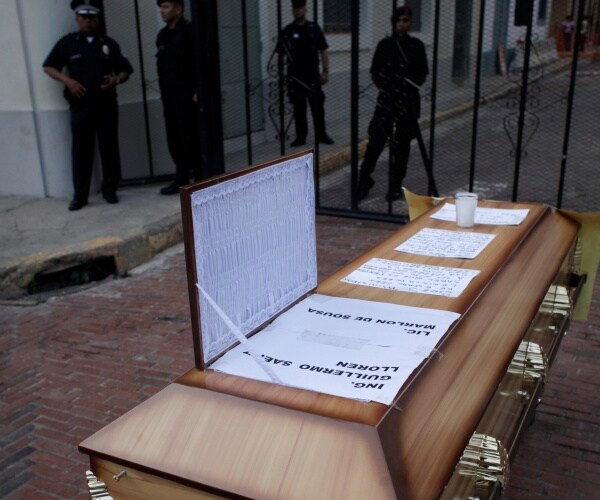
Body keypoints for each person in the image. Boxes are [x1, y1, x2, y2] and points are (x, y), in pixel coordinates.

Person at [43, 1, 133, 211]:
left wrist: (115, 80)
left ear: (97, 19)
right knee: (81, 152)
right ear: (77, 19)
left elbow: (126, 70)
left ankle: (109, 191)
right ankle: (80, 195)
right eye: (83, 17)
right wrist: (68, 81)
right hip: (81, 106)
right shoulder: (68, 43)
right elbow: (48, 67)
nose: (88, 21)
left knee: (109, 148)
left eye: (92, 17)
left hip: (106, 105)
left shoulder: (109, 44)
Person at [356, 6, 428, 202]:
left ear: (410, 22)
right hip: (387, 100)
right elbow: (375, 71)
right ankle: (364, 180)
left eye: (405, 20)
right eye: (399, 20)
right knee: (376, 141)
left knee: (402, 144)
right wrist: (388, 88)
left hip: (407, 101)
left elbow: (422, 74)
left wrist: (406, 87)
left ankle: (395, 185)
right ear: (393, 22)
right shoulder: (384, 45)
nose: (402, 24)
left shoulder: (417, 46)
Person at [156, 0, 202, 195]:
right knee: (174, 141)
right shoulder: (163, 35)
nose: (162, 11)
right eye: (161, 7)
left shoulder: (190, 32)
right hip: (169, 98)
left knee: (191, 140)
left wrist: (198, 91)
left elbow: (199, 64)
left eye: (166, 6)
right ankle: (181, 179)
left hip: (187, 98)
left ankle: (200, 179)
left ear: (179, 9)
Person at [278, 0, 334, 147]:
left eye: (300, 7)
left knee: (317, 107)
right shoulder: (287, 31)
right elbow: (280, 55)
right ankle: (301, 137)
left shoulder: (314, 28)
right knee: (299, 109)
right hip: (295, 77)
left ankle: (321, 134)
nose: (297, 10)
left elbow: (323, 50)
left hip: (312, 76)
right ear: (292, 10)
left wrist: (325, 71)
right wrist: (283, 75)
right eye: (295, 8)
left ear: (305, 9)